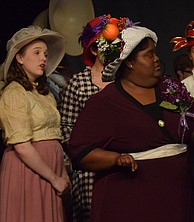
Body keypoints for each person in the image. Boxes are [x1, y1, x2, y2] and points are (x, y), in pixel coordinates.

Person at [66, 19, 194, 222]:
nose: (156, 59)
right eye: (148, 55)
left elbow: (192, 128)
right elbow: (80, 152)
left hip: (177, 198)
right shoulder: (106, 102)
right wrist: (115, 159)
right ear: (129, 62)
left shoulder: (171, 89)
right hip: (131, 200)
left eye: (155, 53)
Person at [0, 25, 70, 222]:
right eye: (37, 53)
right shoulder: (14, 93)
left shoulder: (43, 94)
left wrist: (62, 173)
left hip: (50, 170)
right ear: (20, 58)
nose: (43, 59)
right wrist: (54, 178)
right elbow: (22, 146)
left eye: (46, 54)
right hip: (28, 171)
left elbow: (54, 136)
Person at [59, 14, 114, 222]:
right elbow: (66, 129)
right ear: (93, 49)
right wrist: (89, 150)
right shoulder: (78, 83)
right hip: (89, 169)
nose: (112, 49)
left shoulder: (125, 81)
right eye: (105, 44)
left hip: (121, 163)